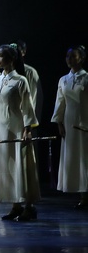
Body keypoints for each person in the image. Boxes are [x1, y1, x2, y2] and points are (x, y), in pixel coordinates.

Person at [0, 44, 40, 221]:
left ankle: (29, 206)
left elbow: (28, 107)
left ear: (12, 59)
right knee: (6, 166)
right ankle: (15, 205)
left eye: (1, 56)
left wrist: (27, 129)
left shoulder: (20, 80)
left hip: (17, 127)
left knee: (20, 165)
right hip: (1, 128)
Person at [51, 45, 88, 209]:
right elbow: (60, 102)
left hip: (84, 121)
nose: (70, 59)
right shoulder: (63, 79)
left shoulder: (86, 78)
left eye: (73, 56)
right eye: (68, 56)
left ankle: (85, 194)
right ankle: (81, 194)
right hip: (68, 122)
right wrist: (59, 122)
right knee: (73, 157)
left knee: (84, 157)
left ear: (81, 58)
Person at [16, 40, 44, 124]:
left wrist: (31, 123)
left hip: (25, 120)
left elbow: (34, 98)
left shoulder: (30, 72)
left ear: (23, 52)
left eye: (17, 51)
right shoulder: (5, 73)